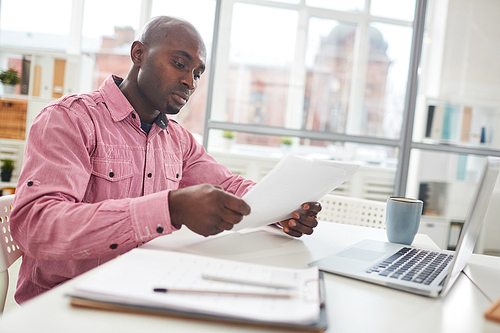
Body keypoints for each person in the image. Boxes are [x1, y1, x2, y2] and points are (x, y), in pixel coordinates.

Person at [10, 16, 321, 303]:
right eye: (179, 64)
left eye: (197, 73)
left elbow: (228, 185)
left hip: (143, 290)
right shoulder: (70, 120)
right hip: (64, 302)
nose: (191, 82)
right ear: (138, 54)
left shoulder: (176, 138)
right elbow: (35, 225)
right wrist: (169, 208)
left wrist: (281, 208)